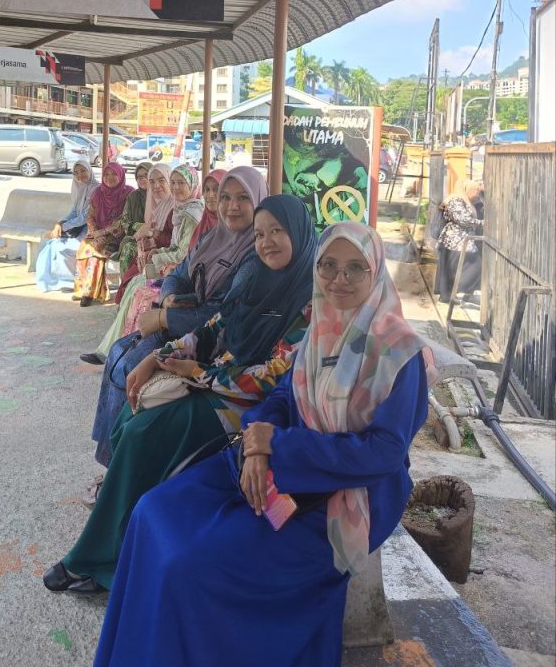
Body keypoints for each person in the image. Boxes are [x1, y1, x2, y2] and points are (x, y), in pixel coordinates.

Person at [90, 221, 433, 667]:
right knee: (151, 512)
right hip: (277, 469)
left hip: (346, 496)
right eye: (328, 266)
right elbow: (282, 398)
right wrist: (256, 444)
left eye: (355, 268)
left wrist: (279, 446)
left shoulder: (398, 353)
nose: (339, 279)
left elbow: (383, 454)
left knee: (188, 565)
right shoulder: (322, 327)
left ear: (376, 273)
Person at [43, 194, 318, 595]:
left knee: (144, 433)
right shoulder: (256, 278)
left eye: (277, 231)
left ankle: (98, 560)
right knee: (130, 416)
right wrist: (158, 358)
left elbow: (271, 378)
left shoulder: (308, 303)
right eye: (260, 235)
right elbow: (212, 328)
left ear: (299, 233)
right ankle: (122, 532)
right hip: (215, 381)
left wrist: (198, 374)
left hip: (251, 408)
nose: (266, 242)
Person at [83, 170, 267, 469]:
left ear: (258, 201)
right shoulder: (212, 237)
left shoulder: (254, 255)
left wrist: (165, 317)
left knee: (130, 363)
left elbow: (221, 316)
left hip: (211, 342)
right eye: (226, 197)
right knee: (118, 352)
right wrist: (169, 295)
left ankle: (120, 464)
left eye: (243, 198)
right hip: (183, 322)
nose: (232, 206)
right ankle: (109, 460)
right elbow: (180, 272)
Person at [81, 166, 204, 363]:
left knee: (139, 289)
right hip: (173, 266)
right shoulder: (181, 208)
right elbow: (174, 246)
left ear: (193, 185)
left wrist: (155, 255)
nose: (175, 187)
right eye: (173, 182)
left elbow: (182, 253)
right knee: (134, 284)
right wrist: (155, 251)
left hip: (182, 273)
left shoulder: (192, 214)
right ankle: (115, 349)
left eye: (181, 183)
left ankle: (122, 351)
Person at [73, 163, 133, 307]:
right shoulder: (98, 192)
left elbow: (124, 219)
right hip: (99, 233)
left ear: (121, 175)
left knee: (96, 249)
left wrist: (104, 232)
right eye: (106, 174)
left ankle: (89, 293)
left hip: (119, 236)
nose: (109, 177)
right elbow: (90, 216)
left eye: (114, 174)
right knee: (84, 247)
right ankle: (83, 289)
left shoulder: (129, 193)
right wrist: (95, 232)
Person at [114, 163, 176, 303]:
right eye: (151, 181)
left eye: (161, 180)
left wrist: (152, 235)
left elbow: (174, 241)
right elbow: (126, 222)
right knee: (132, 272)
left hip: (167, 257)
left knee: (135, 277)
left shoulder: (176, 207)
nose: (156, 186)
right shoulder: (136, 197)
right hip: (152, 250)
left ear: (169, 181)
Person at [34, 160, 99, 293]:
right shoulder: (79, 187)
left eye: (83, 171)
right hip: (79, 229)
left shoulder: (96, 189)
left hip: (91, 230)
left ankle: (70, 281)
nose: (80, 175)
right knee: (50, 245)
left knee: (60, 247)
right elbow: (74, 211)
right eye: (76, 172)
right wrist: (60, 223)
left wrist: (64, 227)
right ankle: (54, 280)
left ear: (90, 170)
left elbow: (85, 217)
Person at [434, 179, 484, 303]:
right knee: (474, 266)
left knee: (454, 270)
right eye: (475, 190)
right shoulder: (456, 200)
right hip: (455, 242)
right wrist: (482, 223)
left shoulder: (464, 201)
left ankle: (450, 295)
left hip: (459, 242)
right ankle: (455, 292)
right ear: (467, 190)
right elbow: (463, 220)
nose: (477, 194)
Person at [115, 161, 152, 275]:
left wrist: (149, 229)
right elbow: (124, 220)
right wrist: (138, 226)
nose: (143, 179)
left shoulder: (160, 194)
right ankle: (125, 283)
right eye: (139, 177)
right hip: (136, 237)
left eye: (146, 175)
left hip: (156, 238)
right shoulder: (132, 197)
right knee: (128, 248)